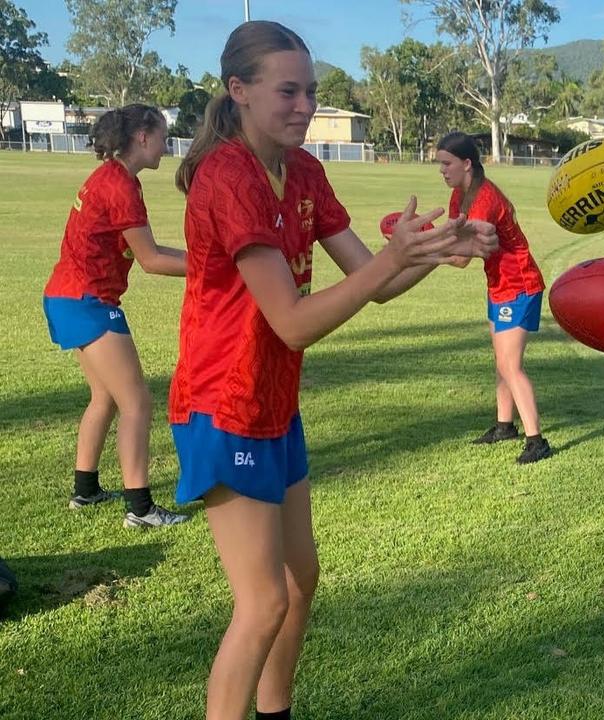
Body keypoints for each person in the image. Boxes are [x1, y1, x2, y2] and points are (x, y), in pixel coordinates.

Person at [170, 22, 496, 720]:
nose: (304, 105)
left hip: (274, 402)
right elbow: (292, 319)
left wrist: (441, 248)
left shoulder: (306, 171)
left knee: (301, 578)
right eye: (287, 90)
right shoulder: (228, 177)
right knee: (263, 603)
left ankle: (276, 711)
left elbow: (368, 281)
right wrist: (391, 259)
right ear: (240, 91)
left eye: (311, 91)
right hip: (221, 405)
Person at [42, 103, 190, 527]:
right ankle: (140, 508)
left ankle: (85, 491)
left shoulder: (111, 177)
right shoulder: (120, 186)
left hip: (66, 297)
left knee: (105, 397)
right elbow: (151, 259)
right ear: (142, 136)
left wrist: (204, 258)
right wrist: (217, 266)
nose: (167, 144)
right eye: (162, 135)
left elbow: (153, 251)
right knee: (137, 402)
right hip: (87, 301)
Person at [436, 131, 552, 464]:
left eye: (447, 164)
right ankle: (505, 426)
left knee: (509, 364)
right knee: (500, 360)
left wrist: (421, 251)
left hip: (520, 284)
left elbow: (459, 257)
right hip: (498, 284)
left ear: (466, 164)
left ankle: (537, 442)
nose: (442, 171)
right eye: (439, 165)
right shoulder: (459, 198)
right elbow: (454, 243)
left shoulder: (484, 200)